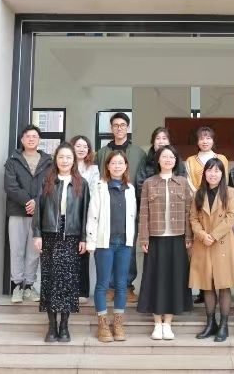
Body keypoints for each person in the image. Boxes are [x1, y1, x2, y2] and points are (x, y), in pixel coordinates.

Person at [32, 143, 90, 343]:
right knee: (49, 280)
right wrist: (37, 234)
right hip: (50, 234)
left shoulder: (81, 183)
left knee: (68, 282)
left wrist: (84, 238)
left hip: (71, 236)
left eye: (68, 157)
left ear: (74, 160)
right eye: (61, 157)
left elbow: (85, 213)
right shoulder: (47, 180)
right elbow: (39, 209)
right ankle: (51, 326)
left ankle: (64, 326)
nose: (65, 161)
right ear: (55, 159)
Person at [137, 145, 193, 340]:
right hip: (155, 238)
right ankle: (157, 323)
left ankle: (168, 323)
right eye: (164, 157)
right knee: (155, 279)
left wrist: (189, 237)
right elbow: (144, 212)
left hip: (178, 237)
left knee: (174, 280)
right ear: (158, 160)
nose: (168, 160)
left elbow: (189, 212)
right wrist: (143, 237)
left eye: (171, 157)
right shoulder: (149, 183)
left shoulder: (183, 182)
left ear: (176, 161)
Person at [86, 151, 137, 343]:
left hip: (124, 243)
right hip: (104, 243)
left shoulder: (130, 189)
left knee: (122, 284)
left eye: (120, 163)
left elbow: (132, 216)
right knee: (103, 283)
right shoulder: (100, 187)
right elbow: (92, 216)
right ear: (107, 166)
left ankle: (118, 323)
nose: (117, 166)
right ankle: (102, 324)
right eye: (113, 163)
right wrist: (91, 241)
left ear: (126, 166)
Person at [95, 113, 146, 303]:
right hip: (107, 204)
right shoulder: (102, 153)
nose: (119, 128)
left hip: (130, 205)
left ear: (128, 128)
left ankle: (126, 286)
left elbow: (142, 180)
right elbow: (97, 178)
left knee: (128, 248)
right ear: (111, 128)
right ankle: (109, 287)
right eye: (115, 125)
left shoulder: (139, 153)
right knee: (107, 246)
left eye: (122, 125)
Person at [189, 157, 234, 342]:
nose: (213, 174)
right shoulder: (198, 193)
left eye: (217, 170)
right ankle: (210, 324)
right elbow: (193, 218)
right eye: (210, 170)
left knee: (224, 284)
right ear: (204, 173)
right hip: (203, 243)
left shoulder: (231, 192)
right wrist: (203, 235)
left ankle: (224, 326)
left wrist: (213, 235)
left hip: (222, 242)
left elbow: (232, 217)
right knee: (207, 284)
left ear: (222, 173)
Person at [4, 124, 52, 304]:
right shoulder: (13, 160)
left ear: (39, 140)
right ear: (22, 140)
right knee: (16, 250)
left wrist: (37, 202)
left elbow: (50, 186)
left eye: (34, 136)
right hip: (17, 211)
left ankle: (29, 287)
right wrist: (28, 201)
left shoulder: (48, 162)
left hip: (39, 214)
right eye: (28, 136)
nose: (31, 139)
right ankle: (17, 286)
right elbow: (10, 186)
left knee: (34, 252)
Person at [184, 126, 230, 304]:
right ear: (197, 141)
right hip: (199, 204)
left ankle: (218, 289)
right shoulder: (190, 160)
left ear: (213, 140)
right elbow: (189, 182)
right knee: (202, 251)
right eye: (201, 138)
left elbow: (224, 181)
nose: (205, 141)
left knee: (218, 254)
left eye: (208, 138)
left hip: (218, 207)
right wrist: (200, 196)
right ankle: (205, 291)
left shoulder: (221, 159)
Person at [70, 135, 99, 304]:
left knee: (83, 251)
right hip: (68, 214)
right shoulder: (66, 165)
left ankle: (82, 291)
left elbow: (94, 191)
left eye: (84, 146)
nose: (81, 149)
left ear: (89, 150)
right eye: (78, 146)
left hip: (86, 213)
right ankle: (68, 290)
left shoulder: (93, 169)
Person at [135, 127, 187, 197]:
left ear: (169, 142)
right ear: (153, 142)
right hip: (151, 200)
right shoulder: (146, 160)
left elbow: (183, 182)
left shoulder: (176, 160)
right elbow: (140, 185)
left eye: (164, 138)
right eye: (158, 138)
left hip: (174, 199)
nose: (161, 141)